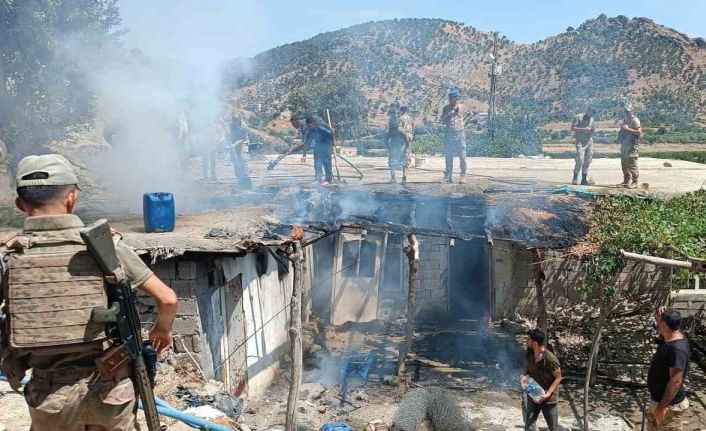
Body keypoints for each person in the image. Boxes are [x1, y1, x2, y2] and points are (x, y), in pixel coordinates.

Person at [0, 154, 178, 431]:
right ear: (72, 198)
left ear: (21, 204)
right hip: (110, 390)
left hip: (48, 395)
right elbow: (168, 299)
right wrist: (162, 331)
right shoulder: (106, 249)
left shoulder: (9, 258)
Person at [646, 307, 690, 431]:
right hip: (658, 401)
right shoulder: (669, 337)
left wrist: (662, 407)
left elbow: (675, 382)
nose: (656, 323)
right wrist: (660, 313)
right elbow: (660, 330)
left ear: (664, 325)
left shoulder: (678, 349)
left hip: (670, 408)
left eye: (658, 321)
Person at [521, 329, 562, 431]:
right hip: (533, 394)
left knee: (553, 428)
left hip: (549, 400)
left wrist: (547, 394)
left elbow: (558, 377)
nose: (527, 341)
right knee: (529, 427)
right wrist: (523, 377)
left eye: (528, 339)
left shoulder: (550, 359)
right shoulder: (529, 353)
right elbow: (525, 371)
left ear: (534, 343)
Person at [441, 88, 467, 183]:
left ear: (457, 98)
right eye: (450, 98)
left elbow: (470, 115)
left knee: (462, 155)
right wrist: (450, 114)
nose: (451, 99)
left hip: (460, 133)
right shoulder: (446, 108)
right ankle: (448, 176)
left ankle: (463, 175)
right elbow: (443, 120)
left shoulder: (462, 107)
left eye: (453, 98)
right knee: (448, 155)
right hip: (449, 134)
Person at [617, 104, 643, 188]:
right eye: (625, 111)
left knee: (632, 163)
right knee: (624, 163)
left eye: (628, 111)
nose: (626, 113)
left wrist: (627, 129)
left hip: (632, 146)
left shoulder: (635, 120)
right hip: (625, 145)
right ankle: (626, 180)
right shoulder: (625, 120)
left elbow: (639, 132)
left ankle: (635, 182)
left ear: (632, 111)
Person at [304, 117, 334, 185]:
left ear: (314, 124)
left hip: (326, 148)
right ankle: (318, 179)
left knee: (327, 164)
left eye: (309, 126)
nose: (308, 127)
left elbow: (332, 131)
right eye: (307, 126)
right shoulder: (310, 132)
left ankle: (328, 180)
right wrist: (304, 155)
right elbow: (307, 143)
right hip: (317, 149)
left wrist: (333, 142)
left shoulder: (322, 130)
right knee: (317, 164)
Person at [570, 109, 596, 185]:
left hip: (589, 141)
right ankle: (575, 177)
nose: (591, 115)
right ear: (587, 111)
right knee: (580, 159)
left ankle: (584, 179)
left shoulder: (592, 118)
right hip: (580, 141)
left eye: (592, 114)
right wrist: (583, 129)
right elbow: (573, 128)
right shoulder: (578, 117)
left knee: (588, 159)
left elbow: (593, 129)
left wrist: (591, 130)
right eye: (590, 114)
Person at [228, 113, 252, 188]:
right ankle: (239, 179)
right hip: (233, 144)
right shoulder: (230, 126)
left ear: (239, 120)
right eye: (233, 120)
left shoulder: (243, 127)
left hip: (243, 143)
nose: (235, 122)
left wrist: (234, 145)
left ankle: (246, 178)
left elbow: (242, 139)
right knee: (235, 161)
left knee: (242, 160)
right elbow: (228, 134)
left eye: (236, 120)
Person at [397, 106, 415, 185]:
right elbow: (414, 128)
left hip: (403, 138)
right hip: (410, 137)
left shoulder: (400, 118)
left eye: (400, 111)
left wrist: (404, 133)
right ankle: (404, 175)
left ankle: (400, 176)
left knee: (400, 155)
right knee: (407, 155)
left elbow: (399, 128)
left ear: (402, 111)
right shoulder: (411, 118)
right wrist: (411, 135)